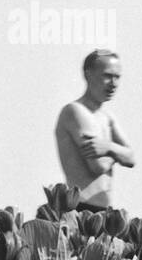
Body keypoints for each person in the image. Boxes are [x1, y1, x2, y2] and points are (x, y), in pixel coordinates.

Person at [55, 50, 135, 211]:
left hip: (102, 209)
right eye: (107, 76)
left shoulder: (107, 117)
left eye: (117, 77)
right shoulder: (75, 111)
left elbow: (131, 158)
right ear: (88, 75)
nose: (113, 83)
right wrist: (119, 154)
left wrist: (108, 147)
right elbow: (97, 166)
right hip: (79, 208)